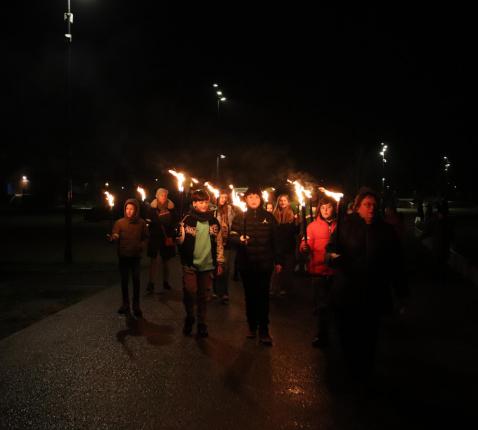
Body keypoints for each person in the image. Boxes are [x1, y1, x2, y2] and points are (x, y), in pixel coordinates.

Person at [326, 187, 408, 378]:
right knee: (347, 334)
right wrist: (332, 257)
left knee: (369, 336)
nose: (371, 208)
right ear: (357, 207)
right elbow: (330, 249)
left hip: (373, 293)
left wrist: (401, 294)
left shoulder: (385, 230)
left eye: (374, 205)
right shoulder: (345, 226)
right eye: (367, 204)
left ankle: (364, 373)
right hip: (347, 292)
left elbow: (396, 264)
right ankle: (350, 368)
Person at [229, 186, 283, 345]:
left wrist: (278, 261)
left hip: (264, 264)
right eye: (250, 197)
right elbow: (231, 237)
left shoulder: (269, 217)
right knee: (250, 296)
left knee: (263, 297)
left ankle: (264, 330)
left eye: (256, 197)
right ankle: (252, 326)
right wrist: (240, 240)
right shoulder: (239, 218)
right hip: (246, 263)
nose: (253, 200)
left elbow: (276, 241)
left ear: (261, 199)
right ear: (246, 199)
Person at [177, 189, 224, 337]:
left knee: (203, 296)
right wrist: (178, 235)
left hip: (207, 264)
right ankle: (190, 316)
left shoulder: (213, 221)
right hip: (190, 264)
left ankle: (202, 322)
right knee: (190, 292)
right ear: (194, 203)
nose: (204, 205)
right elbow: (180, 241)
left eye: (205, 202)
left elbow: (219, 241)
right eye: (200, 202)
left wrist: (220, 261)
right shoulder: (187, 220)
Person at [299, 196, 337, 348]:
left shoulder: (340, 226)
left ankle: (337, 334)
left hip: (336, 272)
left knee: (335, 306)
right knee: (321, 306)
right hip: (318, 271)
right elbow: (304, 244)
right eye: (323, 207)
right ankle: (322, 335)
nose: (326, 210)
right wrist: (304, 248)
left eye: (328, 207)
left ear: (334, 207)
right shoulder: (313, 226)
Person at [107, 199, 149, 318]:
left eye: (131, 209)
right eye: (127, 209)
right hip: (123, 256)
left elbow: (146, 237)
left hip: (135, 257)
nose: (129, 211)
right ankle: (125, 304)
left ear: (136, 210)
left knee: (136, 281)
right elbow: (116, 234)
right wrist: (112, 238)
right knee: (124, 281)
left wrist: (142, 245)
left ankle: (136, 305)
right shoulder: (119, 223)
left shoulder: (141, 223)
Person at [146, 188, 177, 293]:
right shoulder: (152, 209)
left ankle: (166, 282)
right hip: (155, 237)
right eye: (161, 195)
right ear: (157, 196)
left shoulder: (171, 208)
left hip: (166, 236)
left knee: (166, 261)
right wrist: (151, 224)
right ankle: (151, 283)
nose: (163, 197)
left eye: (165, 195)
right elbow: (148, 222)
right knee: (153, 260)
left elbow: (175, 222)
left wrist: (172, 234)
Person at [271, 194, 298, 297]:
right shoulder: (274, 214)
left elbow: (294, 231)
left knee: (287, 269)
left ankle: (286, 288)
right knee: (277, 268)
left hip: (288, 245)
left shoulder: (292, 214)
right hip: (277, 245)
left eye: (285, 200)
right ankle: (275, 288)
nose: (282, 202)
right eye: (281, 200)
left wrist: (296, 222)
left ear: (288, 202)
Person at [213, 190, 235, 304]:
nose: (223, 199)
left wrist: (228, 229)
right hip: (216, 241)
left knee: (226, 268)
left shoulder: (230, 209)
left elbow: (233, 223)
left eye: (225, 197)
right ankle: (215, 290)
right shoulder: (214, 210)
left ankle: (225, 292)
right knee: (216, 266)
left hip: (227, 241)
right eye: (221, 197)